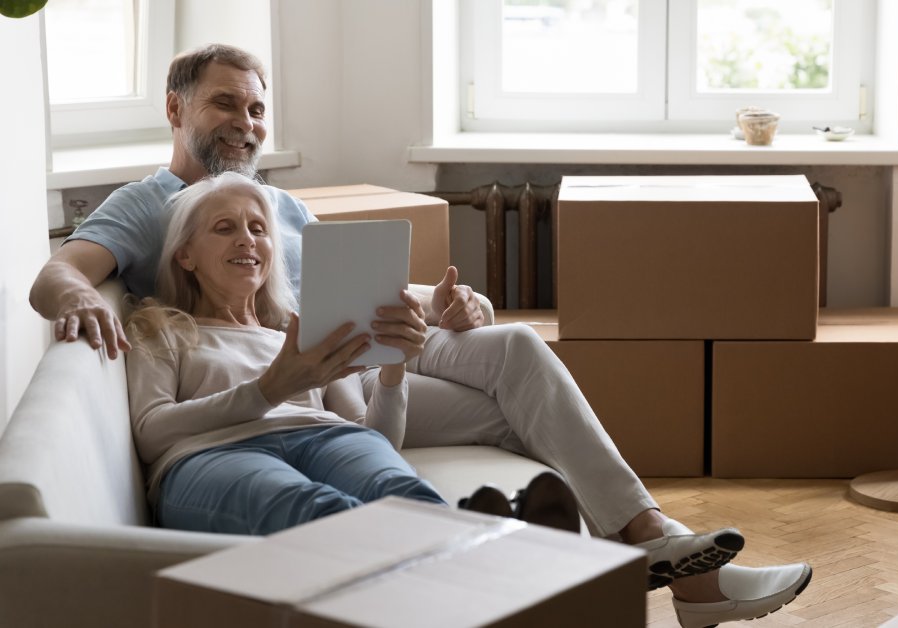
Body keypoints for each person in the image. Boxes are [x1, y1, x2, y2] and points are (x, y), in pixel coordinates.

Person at [28, 43, 812, 626]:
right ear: (176, 110)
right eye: (225, 104)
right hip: (299, 374)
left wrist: (446, 302)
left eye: (257, 109)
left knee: (515, 351)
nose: (246, 123)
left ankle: (658, 542)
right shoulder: (151, 204)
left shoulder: (282, 207)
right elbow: (60, 271)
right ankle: (630, 575)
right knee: (516, 419)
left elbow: (333, 279)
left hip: (356, 350)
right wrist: (78, 298)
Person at [125, 171, 580, 535]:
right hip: (214, 454)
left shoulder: (306, 327)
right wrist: (268, 390)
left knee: (398, 489)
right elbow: (150, 431)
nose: (247, 239)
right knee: (316, 510)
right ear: (185, 256)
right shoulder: (160, 326)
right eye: (225, 229)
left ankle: (484, 554)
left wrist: (394, 367)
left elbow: (377, 433)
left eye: (258, 228)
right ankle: (497, 553)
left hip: (329, 438)